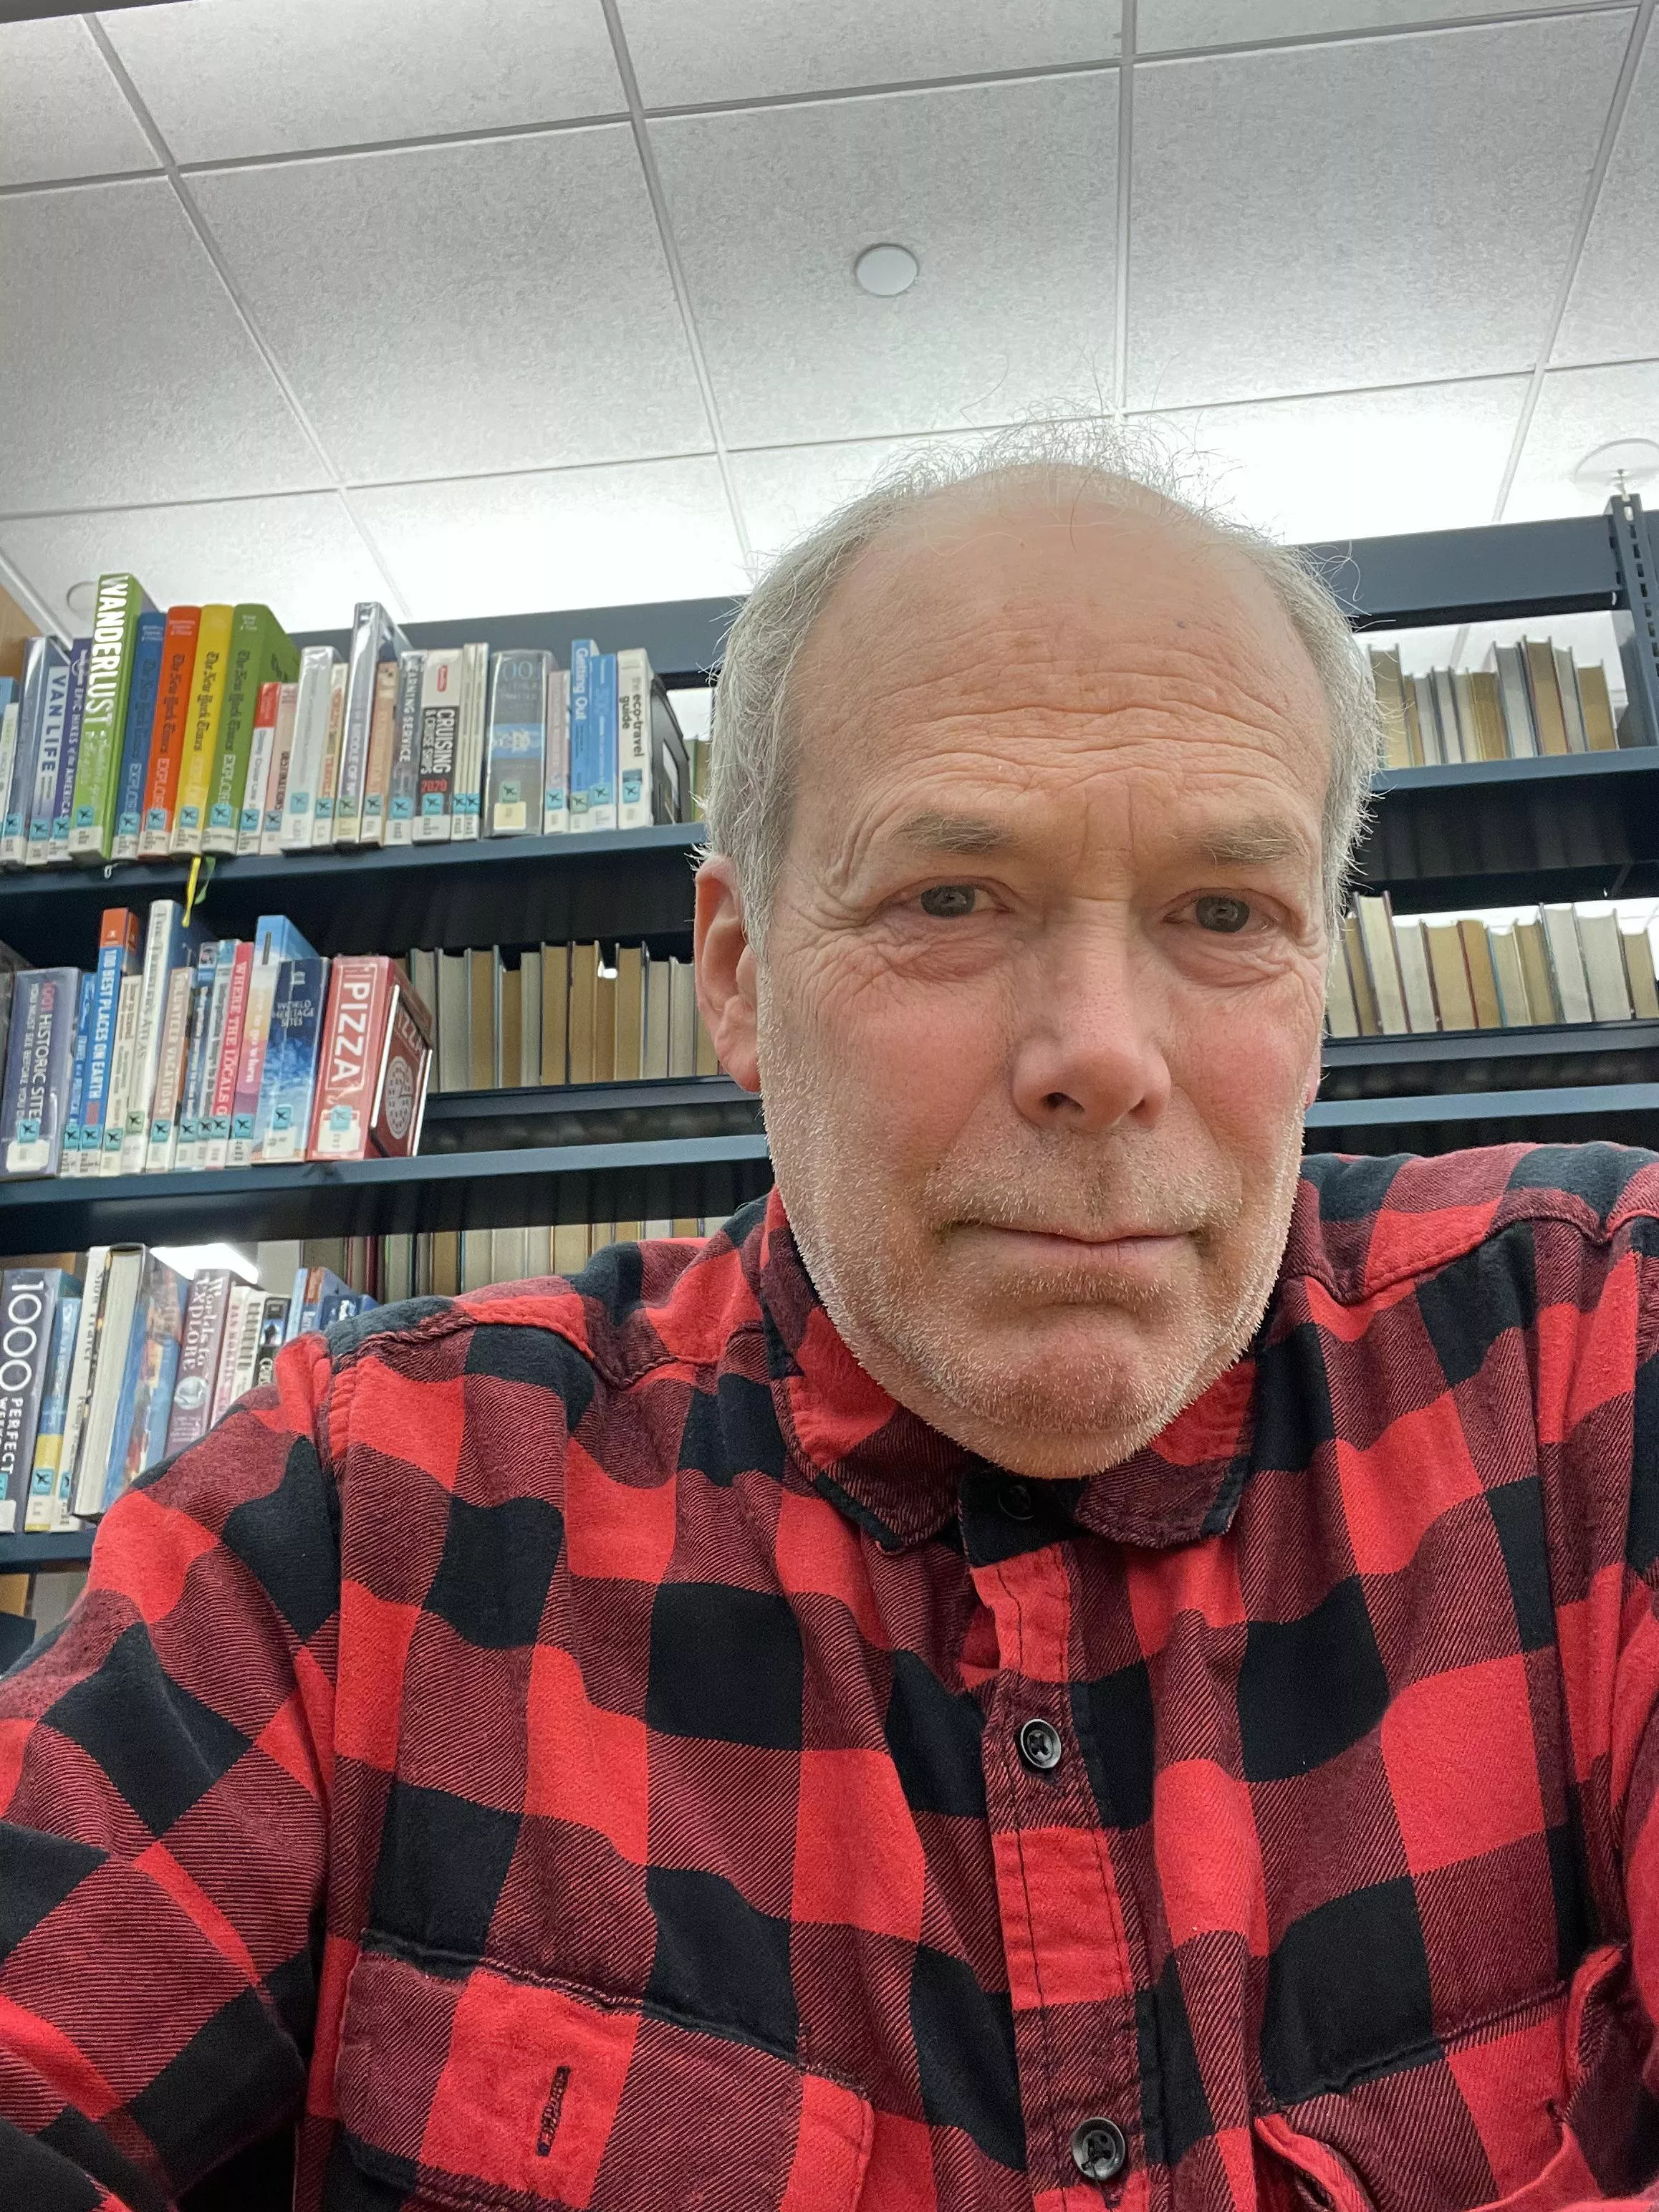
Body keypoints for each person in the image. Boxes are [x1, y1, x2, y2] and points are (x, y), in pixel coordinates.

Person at [2, 423, 1656, 2212]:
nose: (1102, 1050)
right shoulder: (347, 1533)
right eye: (952, 897)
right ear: (739, 977)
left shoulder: (1589, 1359)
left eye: (1223, 910)